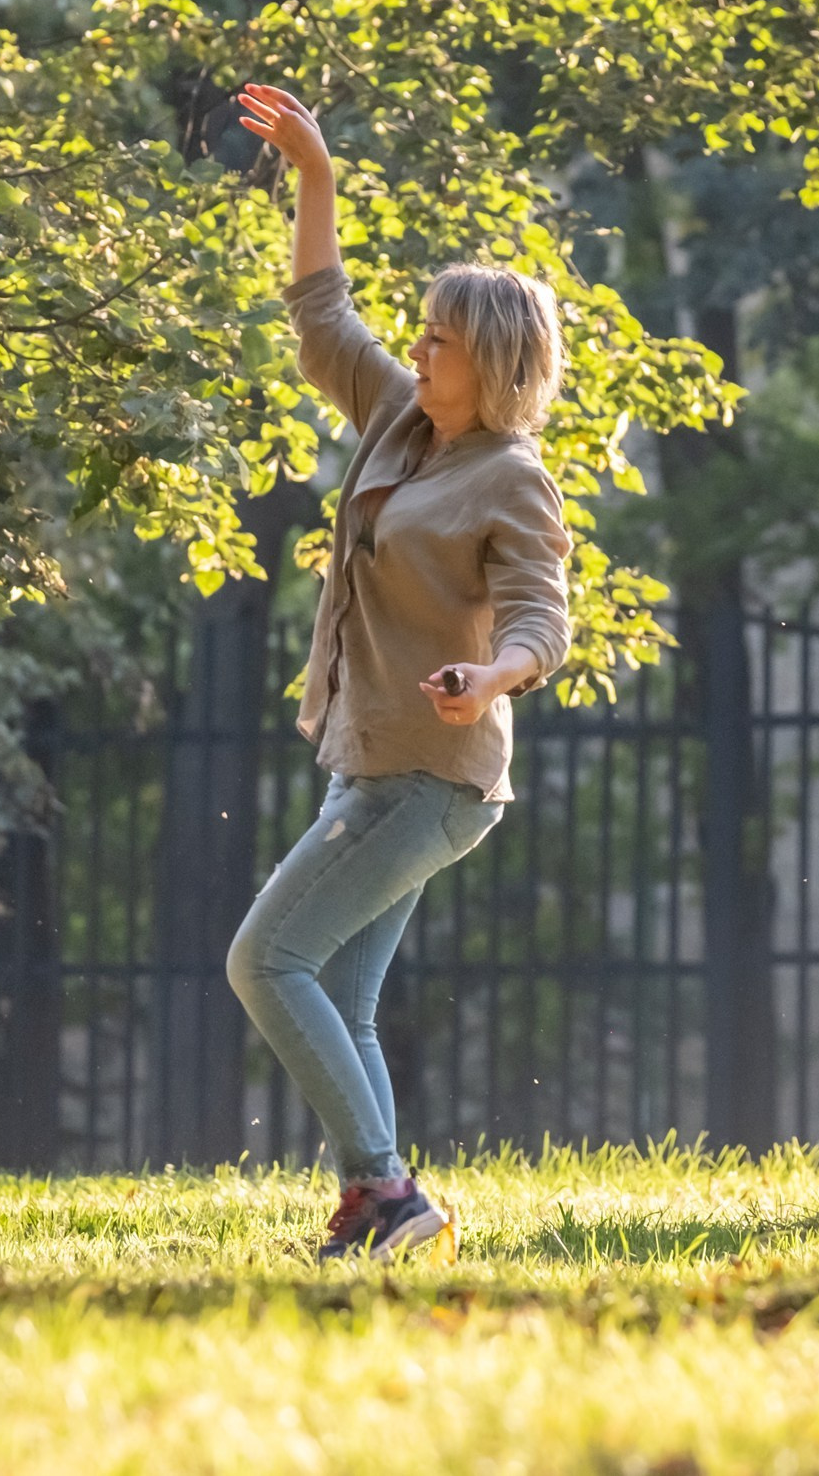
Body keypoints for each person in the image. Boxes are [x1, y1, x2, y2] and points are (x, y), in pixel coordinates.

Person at [230, 83, 573, 1260]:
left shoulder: (509, 476)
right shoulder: (397, 421)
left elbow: (540, 615)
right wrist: (315, 179)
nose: (417, 346)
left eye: (439, 338)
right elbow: (323, 317)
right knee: (345, 997)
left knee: (265, 960)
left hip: (436, 778)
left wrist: (492, 679)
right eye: (420, 332)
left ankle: (387, 1192)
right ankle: (379, 1218)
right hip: (366, 759)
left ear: (490, 364)